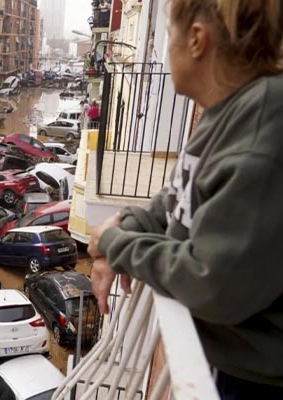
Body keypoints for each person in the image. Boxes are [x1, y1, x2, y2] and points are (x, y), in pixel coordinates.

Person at [87, 0, 283, 398]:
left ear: (196, 39)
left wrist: (114, 243)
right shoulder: (225, 111)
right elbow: (179, 197)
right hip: (235, 368)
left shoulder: (263, 124)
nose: (167, 47)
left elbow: (214, 285)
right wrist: (129, 222)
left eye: (170, 33)